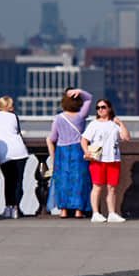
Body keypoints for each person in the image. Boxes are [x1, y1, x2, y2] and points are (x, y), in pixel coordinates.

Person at [81, 98, 131, 223]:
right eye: (98, 108)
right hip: (98, 159)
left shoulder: (114, 124)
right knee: (97, 186)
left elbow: (126, 138)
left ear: (109, 108)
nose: (100, 110)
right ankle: (96, 213)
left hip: (113, 158)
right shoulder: (94, 124)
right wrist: (87, 151)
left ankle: (112, 213)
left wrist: (121, 124)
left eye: (103, 107)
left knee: (112, 187)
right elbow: (84, 140)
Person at [46, 88, 93, 218]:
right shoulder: (80, 116)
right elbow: (89, 98)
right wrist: (80, 91)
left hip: (62, 152)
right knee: (79, 179)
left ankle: (63, 210)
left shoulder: (58, 118)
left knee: (63, 180)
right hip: (78, 150)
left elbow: (53, 138)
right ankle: (79, 210)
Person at [0, 96, 29, 219]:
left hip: (4, 152)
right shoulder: (13, 117)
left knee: (9, 181)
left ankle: (8, 207)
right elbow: (18, 132)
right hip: (19, 150)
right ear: (8, 106)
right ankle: (16, 208)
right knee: (18, 181)